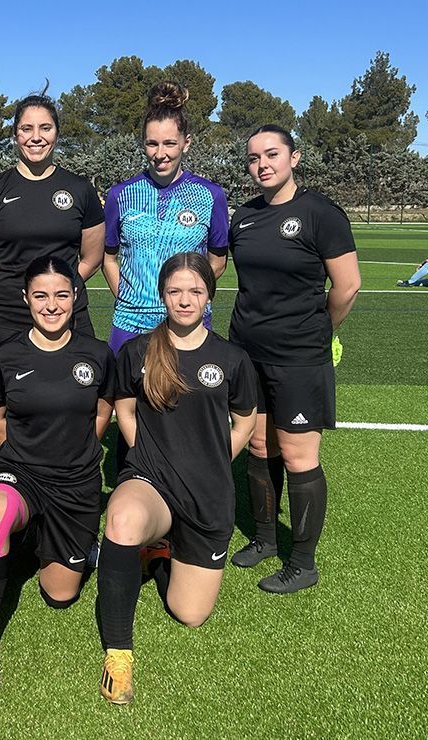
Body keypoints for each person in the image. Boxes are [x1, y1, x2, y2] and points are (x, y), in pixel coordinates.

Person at [95, 252, 257, 704]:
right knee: (123, 518)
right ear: (162, 294)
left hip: (208, 496)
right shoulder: (137, 352)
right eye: (175, 291)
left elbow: (245, 420)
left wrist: (213, 460)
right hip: (153, 484)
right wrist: (144, 451)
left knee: (190, 614)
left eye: (195, 291)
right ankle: (118, 655)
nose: (185, 300)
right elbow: (124, 407)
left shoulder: (231, 358)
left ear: (209, 296)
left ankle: (160, 556)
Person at [209, 125, 361, 594]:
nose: (262, 164)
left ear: (294, 157)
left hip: (298, 357)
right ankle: (267, 539)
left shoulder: (319, 213)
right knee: (258, 446)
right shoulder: (245, 218)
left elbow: (348, 285)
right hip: (247, 352)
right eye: (253, 158)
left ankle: (304, 561)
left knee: (298, 456)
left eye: (271, 154)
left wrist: (319, 331)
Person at [0, 256, 115, 698]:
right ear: (26, 298)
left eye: (62, 295)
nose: (52, 305)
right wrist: (26, 453)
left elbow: (103, 408)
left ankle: (64, 540)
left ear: (75, 297)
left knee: (60, 594)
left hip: (76, 481)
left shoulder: (98, 354)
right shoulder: (5, 354)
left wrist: (76, 448)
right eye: (42, 295)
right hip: (20, 473)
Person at [0, 90, 105, 368]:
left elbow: (92, 258)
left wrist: (59, 289)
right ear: (15, 135)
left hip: (68, 317)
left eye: (45, 127)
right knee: (3, 407)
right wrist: (9, 291)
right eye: (26, 128)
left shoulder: (80, 190)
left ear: (57, 133)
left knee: (77, 401)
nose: (36, 137)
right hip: (7, 318)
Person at [103, 81, 229, 355]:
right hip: (130, 323)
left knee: (187, 398)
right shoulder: (120, 195)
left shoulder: (211, 195)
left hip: (188, 323)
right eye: (152, 143)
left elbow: (217, 263)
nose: (160, 154)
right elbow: (109, 259)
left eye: (170, 143)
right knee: (122, 398)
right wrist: (129, 298)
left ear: (186, 143)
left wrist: (189, 299)